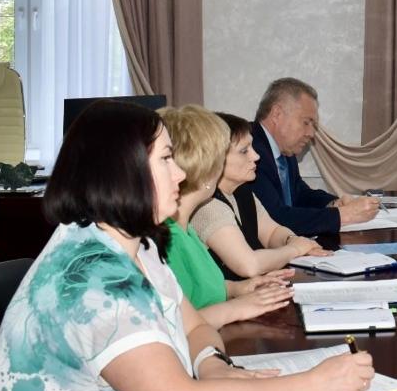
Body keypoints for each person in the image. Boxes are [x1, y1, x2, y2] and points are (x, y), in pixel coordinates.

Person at [0, 100, 374, 391]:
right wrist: (310, 385)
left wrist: (212, 365)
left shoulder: (137, 244)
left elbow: (193, 326)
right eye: (167, 159)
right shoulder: (94, 280)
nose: (181, 173)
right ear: (122, 173)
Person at [160, 105, 296, 329]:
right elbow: (173, 325)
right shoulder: (165, 237)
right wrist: (237, 306)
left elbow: (198, 287)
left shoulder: (185, 228)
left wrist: (237, 289)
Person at [191, 112, 329, 279]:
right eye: (244, 151)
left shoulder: (242, 191)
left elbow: (271, 232)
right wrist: (295, 249)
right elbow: (249, 265)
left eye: (252, 147)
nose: (256, 156)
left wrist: (291, 239)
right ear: (215, 158)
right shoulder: (207, 206)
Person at [251, 77, 379, 235]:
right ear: (277, 114)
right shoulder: (250, 151)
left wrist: (334, 203)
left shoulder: (284, 150)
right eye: (306, 122)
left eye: (313, 125)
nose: (311, 133)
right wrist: (343, 215)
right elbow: (275, 218)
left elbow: (300, 194)